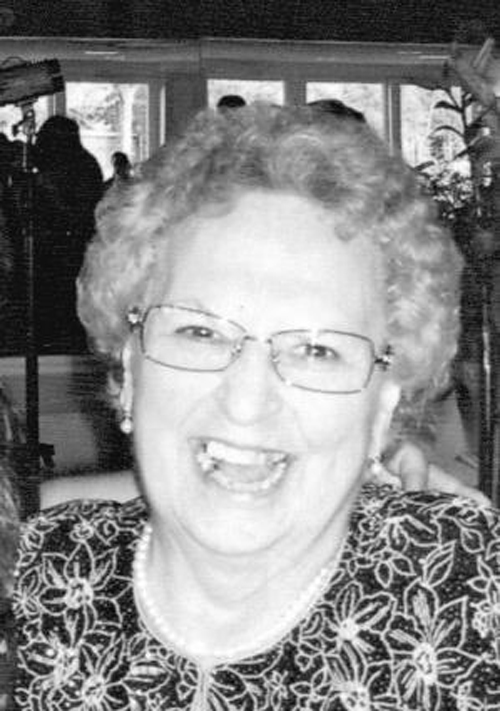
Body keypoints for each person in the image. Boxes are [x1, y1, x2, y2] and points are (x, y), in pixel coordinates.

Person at [13, 103, 500, 708]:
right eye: (199, 332)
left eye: (317, 350)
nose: (246, 402)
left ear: (384, 404)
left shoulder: (471, 596)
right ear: (131, 370)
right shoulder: (30, 576)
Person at [33, 115, 103, 352]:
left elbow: (82, 216)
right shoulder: (68, 164)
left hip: (70, 251)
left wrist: (50, 192)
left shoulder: (82, 167)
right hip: (55, 250)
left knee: (64, 312)